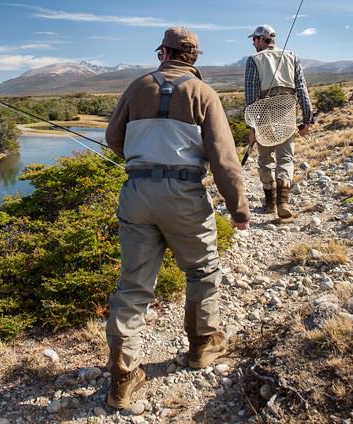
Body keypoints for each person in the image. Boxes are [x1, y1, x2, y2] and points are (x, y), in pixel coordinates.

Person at [104, 26, 251, 409]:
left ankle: (123, 379)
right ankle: (202, 347)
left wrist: (143, 158)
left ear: (162, 53)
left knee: (133, 287)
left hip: (136, 193)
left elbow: (113, 139)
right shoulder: (203, 93)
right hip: (185, 195)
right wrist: (239, 210)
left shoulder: (137, 87)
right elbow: (223, 160)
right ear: (194, 58)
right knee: (202, 271)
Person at [243, 24, 315, 220]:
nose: (252, 43)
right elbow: (302, 90)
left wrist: (251, 126)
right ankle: (283, 202)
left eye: (254, 39)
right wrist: (307, 119)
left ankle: (270, 205)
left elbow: (251, 97)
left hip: (264, 115)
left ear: (259, 40)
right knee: (286, 160)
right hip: (287, 113)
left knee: (266, 161)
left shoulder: (254, 60)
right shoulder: (292, 56)